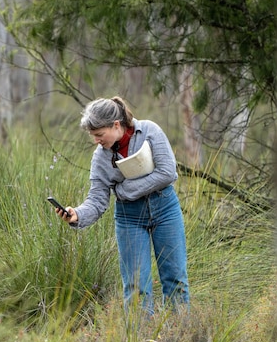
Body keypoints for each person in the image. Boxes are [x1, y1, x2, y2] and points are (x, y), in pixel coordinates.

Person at [53, 96, 189, 316]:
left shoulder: (149, 132)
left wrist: (125, 190)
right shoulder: (100, 158)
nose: (96, 141)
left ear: (116, 125)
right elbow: (97, 200)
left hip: (165, 210)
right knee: (136, 288)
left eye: (99, 135)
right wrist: (77, 214)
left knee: (175, 280)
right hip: (129, 218)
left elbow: (167, 173)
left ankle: (183, 340)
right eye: (93, 136)